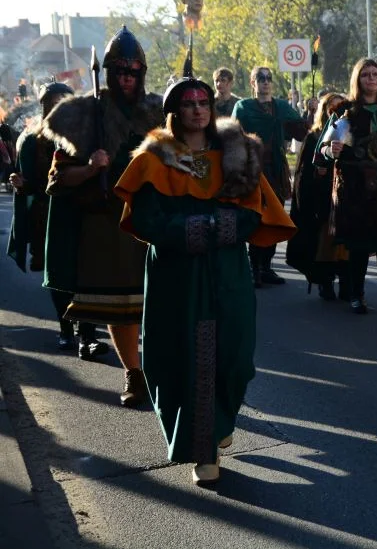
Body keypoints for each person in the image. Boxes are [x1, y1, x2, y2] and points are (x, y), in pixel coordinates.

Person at [114, 73, 295, 486]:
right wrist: (193, 229)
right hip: (176, 273)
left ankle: (220, 420)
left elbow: (255, 212)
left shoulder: (239, 154)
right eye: (190, 102)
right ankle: (204, 450)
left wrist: (217, 227)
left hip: (227, 270)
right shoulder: (152, 160)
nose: (198, 108)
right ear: (175, 111)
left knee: (234, 358)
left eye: (204, 102)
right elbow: (146, 219)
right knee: (182, 360)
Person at [42, 26, 164, 404]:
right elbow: (57, 180)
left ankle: (162, 370)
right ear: (109, 72)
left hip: (153, 220)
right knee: (120, 306)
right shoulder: (81, 114)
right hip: (106, 226)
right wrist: (93, 167)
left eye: (133, 72)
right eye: (120, 71)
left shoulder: (160, 111)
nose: (126, 79)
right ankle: (134, 373)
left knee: (163, 303)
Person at [7, 83, 108, 356]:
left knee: (83, 272)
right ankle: (66, 329)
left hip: (79, 211)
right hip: (46, 216)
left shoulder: (84, 134)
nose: (55, 106)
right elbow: (30, 184)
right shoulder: (31, 140)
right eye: (50, 102)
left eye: (61, 100)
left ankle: (86, 334)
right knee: (58, 276)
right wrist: (20, 184)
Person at [320, 58, 377, 324]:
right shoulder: (344, 112)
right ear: (357, 80)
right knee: (359, 247)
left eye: (375, 74)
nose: (371, 79)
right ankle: (356, 295)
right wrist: (330, 150)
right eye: (365, 75)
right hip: (355, 190)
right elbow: (322, 151)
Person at [232, 66, 308, 285]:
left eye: (268, 78)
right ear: (252, 82)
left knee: (274, 216)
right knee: (256, 217)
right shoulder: (243, 107)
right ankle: (253, 266)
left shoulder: (282, 107)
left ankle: (266, 266)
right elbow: (233, 137)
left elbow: (302, 133)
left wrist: (309, 114)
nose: (265, 82)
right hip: (253, 169)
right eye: (260, 78)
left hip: (276, 169)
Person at [286, 92, 350, 301]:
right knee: (325, 244)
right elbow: (303, 173)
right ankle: (325, 281)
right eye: (332, 107)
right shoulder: (314, 137)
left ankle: (349, 283)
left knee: (347, 244)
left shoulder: (351, 135)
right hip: (323, 200)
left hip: (345, 198)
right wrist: (317, 172)